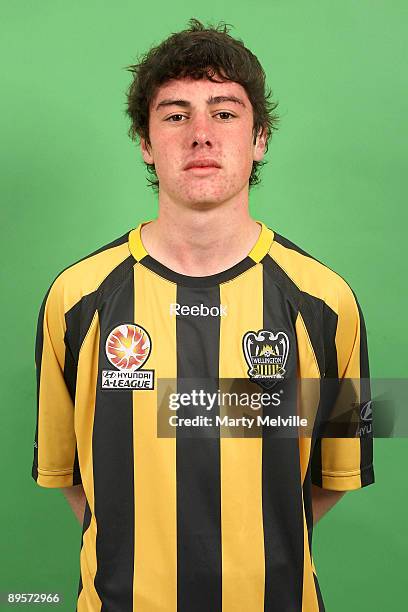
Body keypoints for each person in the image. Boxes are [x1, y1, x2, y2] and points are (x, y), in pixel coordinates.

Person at [32, 17, 374, 612]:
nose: (200, 134)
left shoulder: (331, 301)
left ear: (259, 136)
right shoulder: (73, 298)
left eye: (224, 112)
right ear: (145, 141)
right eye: (174, 114)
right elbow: (69, 474)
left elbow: (334, 474)